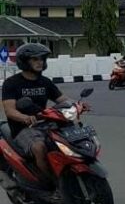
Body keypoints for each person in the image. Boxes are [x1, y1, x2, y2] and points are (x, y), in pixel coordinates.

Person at [1, 43, 83, 193]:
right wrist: (25, 117)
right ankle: (50, 184)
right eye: (35, 59)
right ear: (25, 61)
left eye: (42, 59)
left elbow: (62, 100)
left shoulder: (45, 82)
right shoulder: (11, 83)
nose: (40, 62)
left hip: (47, 124)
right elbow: (10, 111)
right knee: (40, 148)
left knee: (72, 142)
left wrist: (78, 105)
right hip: (24, 128)